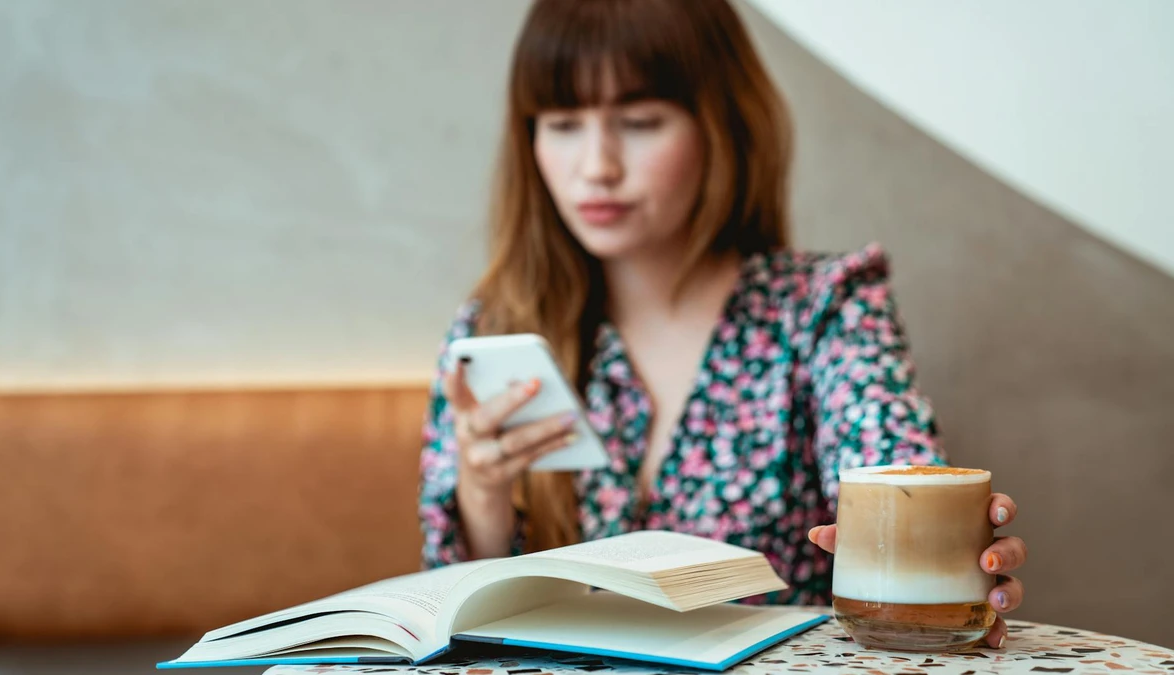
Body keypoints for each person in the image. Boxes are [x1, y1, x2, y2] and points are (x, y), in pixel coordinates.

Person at [417, 0, 1027, 649]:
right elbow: (461, 633)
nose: (596, 165)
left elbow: (894, 468)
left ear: (721, 125)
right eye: (562, 123)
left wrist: (944, 553)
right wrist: (483, 494)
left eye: (640, 121)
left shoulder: (825, 309)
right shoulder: (493, 332)